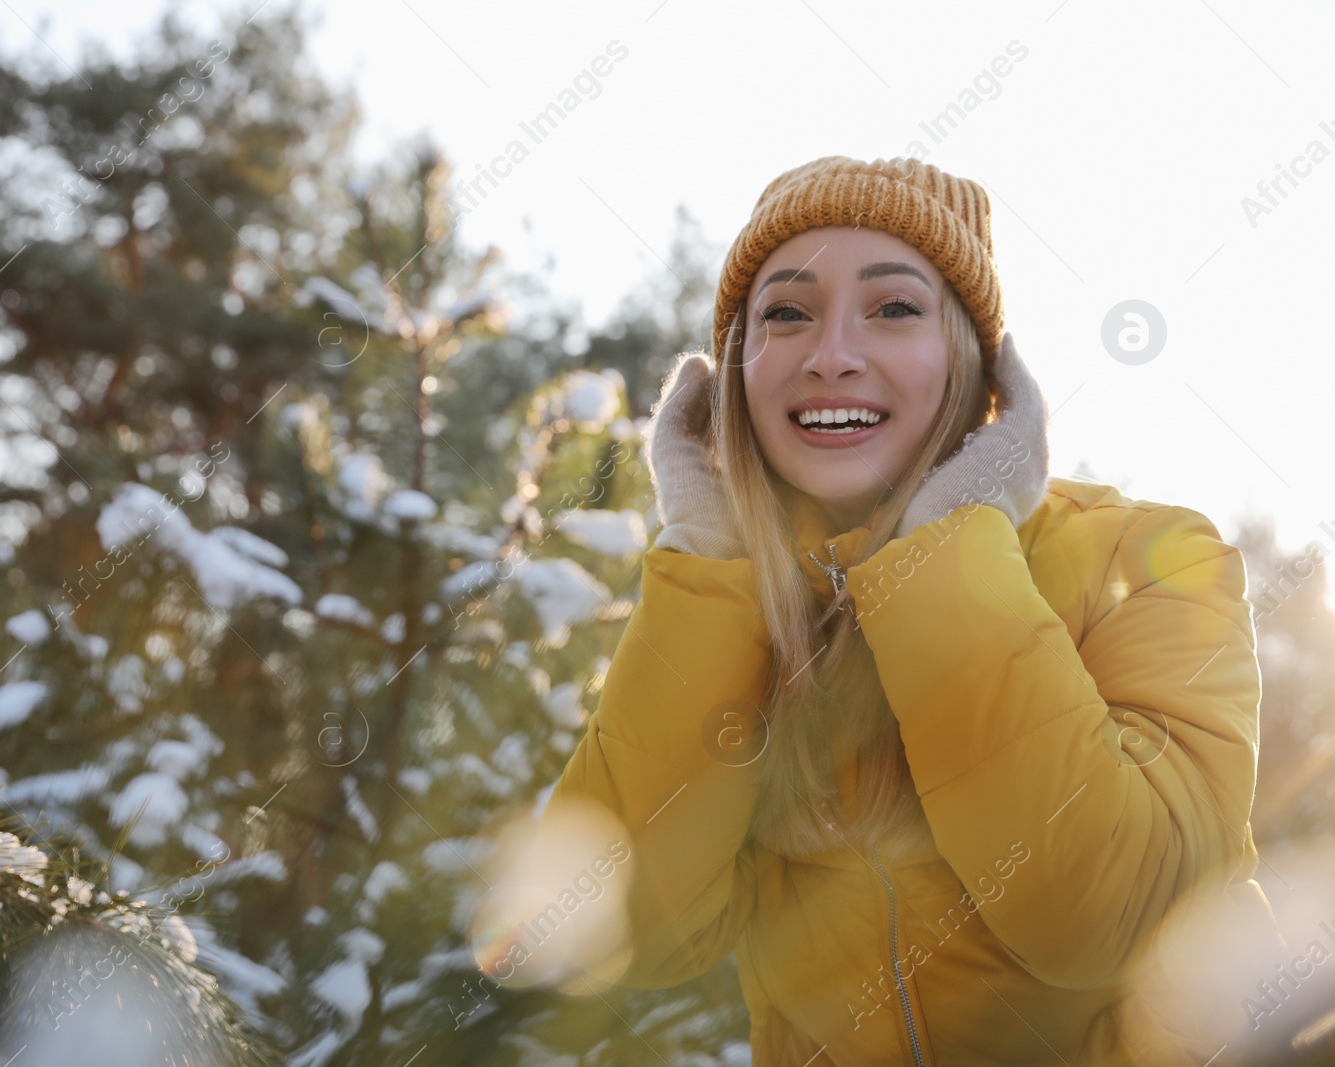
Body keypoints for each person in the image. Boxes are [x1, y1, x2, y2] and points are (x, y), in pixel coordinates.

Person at [527, 156, 1289, 1065]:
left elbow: (1109, 918)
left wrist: (942, 555)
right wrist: (710, 556)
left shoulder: (1152, 559)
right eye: (785, 312)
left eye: (893, 308)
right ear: (737, 370)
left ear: (974, 359)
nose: (831, 352)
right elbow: (619, 930)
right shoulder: (738, 610)